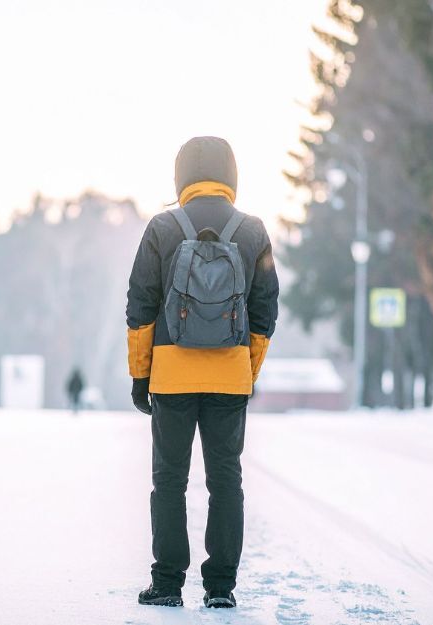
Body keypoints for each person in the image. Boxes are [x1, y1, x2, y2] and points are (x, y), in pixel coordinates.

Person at [125, 137, 279, 609]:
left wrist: (141, 374)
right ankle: (220, 589)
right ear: (231, 174)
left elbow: (140, 307)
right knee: (225, 480)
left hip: (171, 375)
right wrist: (245, 371)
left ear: (181, 176)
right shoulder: (251, 231)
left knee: (169, 480)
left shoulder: (162, 227)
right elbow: (265, 311)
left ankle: (168, 583)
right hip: (228, 378)